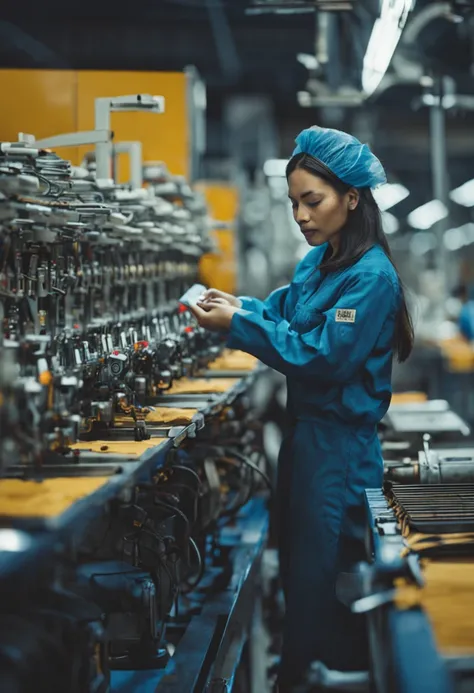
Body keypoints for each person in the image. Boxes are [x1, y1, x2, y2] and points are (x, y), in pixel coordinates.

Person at [189, 126, 414, 691]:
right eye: (294, 202)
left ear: (352, 198)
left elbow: (321, 358)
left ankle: (313, 679)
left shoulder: (372, 279)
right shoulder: (319, 264)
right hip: (304, 444)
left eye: (312, 201)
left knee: (321, 591)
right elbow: (284, 310)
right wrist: (240, 306)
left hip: (338, 454)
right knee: (297, 579)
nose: (300, 215)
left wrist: (239, 326)